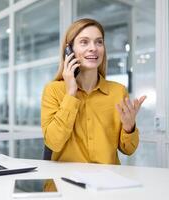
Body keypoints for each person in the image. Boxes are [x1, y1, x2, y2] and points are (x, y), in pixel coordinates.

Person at [41, 18, 146, 164]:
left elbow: (128, 149)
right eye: (84, 42)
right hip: (64, 181)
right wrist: (71, 93)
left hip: (107, 181)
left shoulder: (118, 91)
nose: (93, 48)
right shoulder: (53, 90)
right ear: (69, 50)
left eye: (99, 42)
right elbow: (53, 142)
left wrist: (129, 128)